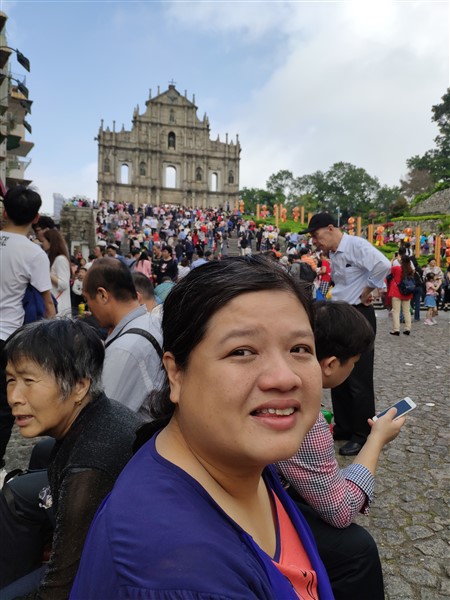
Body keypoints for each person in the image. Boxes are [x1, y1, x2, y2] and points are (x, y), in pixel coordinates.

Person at [70, 256, 334, 599]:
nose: (285, 378)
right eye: (242, 351)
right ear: (176, 373)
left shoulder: (238, 458)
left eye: (299, 348)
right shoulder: (172, 570)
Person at [0, 319, 142, 599]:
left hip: (116, 574)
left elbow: (60, 589)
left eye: (29, 381)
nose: (14, 396)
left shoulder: (89, 468)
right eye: (10, 380)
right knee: (34, 466)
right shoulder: (98, 412)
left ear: (79, 386)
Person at [277, 301, 406, 599]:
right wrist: (376, 439)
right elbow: (340, 510)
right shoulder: (305, 418)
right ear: (331, 364)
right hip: (245, 516)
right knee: (359, 550)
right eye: (355, 362)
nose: (354, 368)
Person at [301, 213, 391, 456]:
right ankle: (343, 426)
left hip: (358, 313)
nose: (314, 241)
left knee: (358, 376)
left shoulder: (356, 245)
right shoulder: (333, 253)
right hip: (341, 313)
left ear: (331, 228)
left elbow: (383, 265)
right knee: (336, 374)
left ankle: (362, 433)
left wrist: (367, 290)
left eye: (316, 235)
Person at [0, 186, 56, 480]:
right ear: (36, 218)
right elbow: (47, 304)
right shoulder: (34, 253)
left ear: (4, 211)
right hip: (7, 336)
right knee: (3, 407)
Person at [82, 258, 164, 419]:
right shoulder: (150, 322)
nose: (88, 307)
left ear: (102, 295)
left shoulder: (125, 349)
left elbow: (102, 418)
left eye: (87, 299)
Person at [41, 229, 72, 317]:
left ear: (51, 242)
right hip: (55, 305)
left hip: (59, 307)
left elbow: (64, 284)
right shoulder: (53, 259)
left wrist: (46, 272)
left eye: (44, 241)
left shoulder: (60, 259)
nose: (42, 244)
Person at [387, 255, 414, 336]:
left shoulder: (396, 268)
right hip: (407, 292)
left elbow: (388, 269)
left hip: (396, 292)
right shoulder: (411, 270)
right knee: (407, 311)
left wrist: (393, 260)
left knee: (396, 311)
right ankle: (407, 328)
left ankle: (396, 329)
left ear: (401, 261)